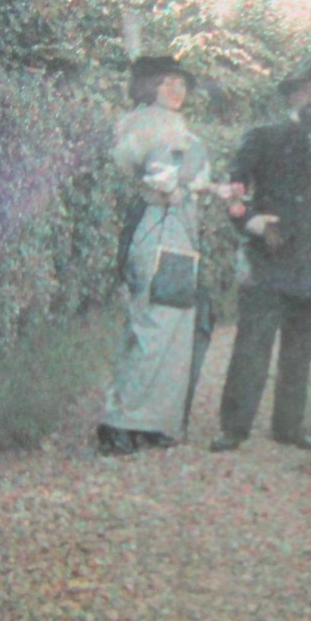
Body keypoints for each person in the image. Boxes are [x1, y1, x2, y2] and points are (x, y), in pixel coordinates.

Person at [210, 58, 311, 453]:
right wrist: (251, 222)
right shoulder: (262, 138)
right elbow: (233, 191)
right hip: (266, 261)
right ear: (291, 97)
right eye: (307, 92)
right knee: (253, 345)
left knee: (300, 351)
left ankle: (288, 427)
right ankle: (234, 428)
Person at [97, 55, 216, 456]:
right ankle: (117, 421)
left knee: (175, 326)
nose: (176, 90)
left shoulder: (177, 126)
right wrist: (186, 182)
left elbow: (190, 179)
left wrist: (199, 186)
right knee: (152, 323)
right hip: (155, 225)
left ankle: (152, 421)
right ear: (149, 86)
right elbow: (155, 175)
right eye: (167, 82)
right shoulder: (142, 122)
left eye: (181, 83)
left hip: (181, 228)